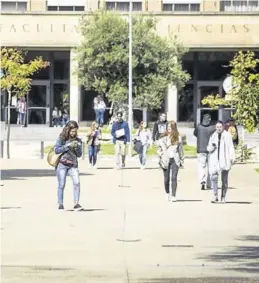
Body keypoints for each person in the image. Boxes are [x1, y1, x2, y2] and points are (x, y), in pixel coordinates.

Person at [54, 120, 83, 211]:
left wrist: (77, 147)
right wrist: (68, 146)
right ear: (68, 130)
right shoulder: (62, 138)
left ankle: (76, 203)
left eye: (75, 131)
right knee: (61, 184)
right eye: (72, 131)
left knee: (77, 183)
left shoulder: (78, 140)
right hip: (62, 164)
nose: (74, 133)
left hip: (73, 165)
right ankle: (60, 204)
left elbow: (79, 155)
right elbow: (56, 150)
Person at [207, 120, 235, 204]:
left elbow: (231, 147)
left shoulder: (227, 136)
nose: (219, 129)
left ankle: (223, 197)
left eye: (220, 127)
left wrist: (232, 157)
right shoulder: (213, 136)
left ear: (223, 127)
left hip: (225, 160)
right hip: (215, 161)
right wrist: (212, 146)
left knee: (224, 180)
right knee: (214, 178)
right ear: (215, 127)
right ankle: (215, 196)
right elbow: (208, 149)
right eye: (217, 127)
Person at [157, 121, 184, 202]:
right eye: (168, 127)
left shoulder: (178, 138)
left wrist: (182, 160)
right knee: (166, 178)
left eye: (171, 127)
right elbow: (158, 149)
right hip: (165, 159)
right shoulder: (162, 137)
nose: (169, 128)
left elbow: (181, 150)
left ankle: (173, 195)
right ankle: (167, 192)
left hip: (175, 159)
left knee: (174, 177)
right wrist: (161, 154)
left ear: (174, 128)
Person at [194, 114, 215, 190]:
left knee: (201, 167)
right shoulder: (212, 128)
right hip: (210, 150)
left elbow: (195, 134)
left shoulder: (198, 127)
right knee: (210, 167)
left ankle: (202, 181)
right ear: (209, 119)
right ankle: (209, 184)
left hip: (200, 149)